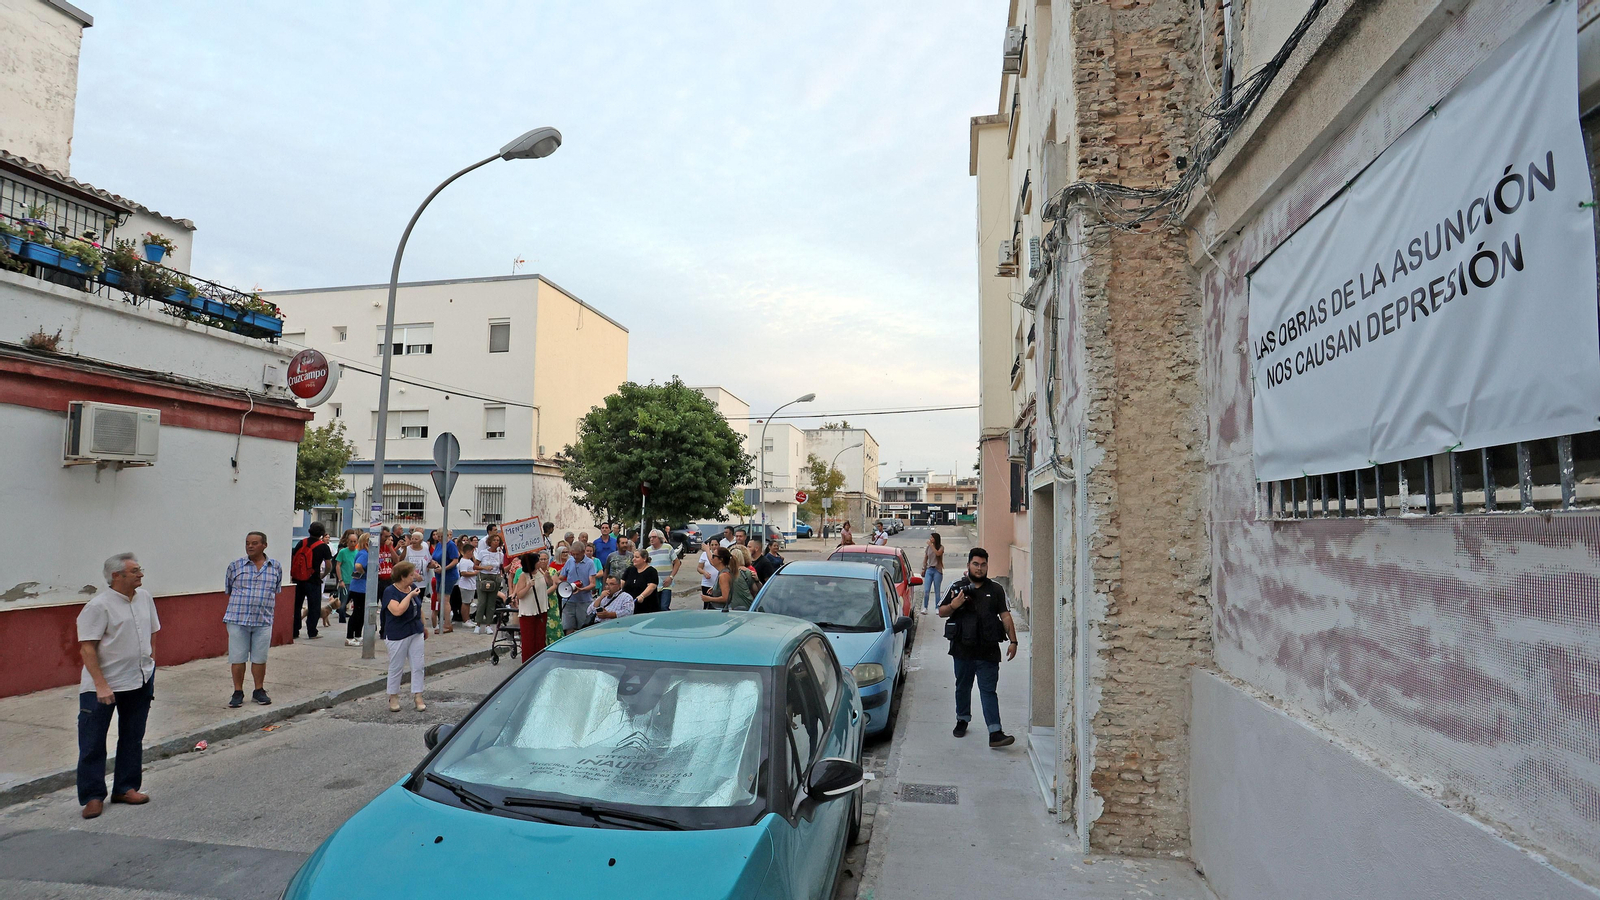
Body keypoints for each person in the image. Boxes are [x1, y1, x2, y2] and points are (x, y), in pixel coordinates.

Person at [77, 553, 159, 819]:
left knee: (132, 738)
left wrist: (150, 662)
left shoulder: (145, 598)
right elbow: (87, 648)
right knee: (92, 742)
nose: (141, 574)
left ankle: (126, 787)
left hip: (139, 680)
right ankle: (92, 796)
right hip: (103, 687)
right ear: (116, 576)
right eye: (135, 571)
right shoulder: (98, 606)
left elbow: (153, 631)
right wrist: (101, 685)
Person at [937, 547, 1018, 747]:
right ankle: (962, 719)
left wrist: (1013, 641)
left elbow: (1005, 616)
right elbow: (941, 611)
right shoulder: (957, 587)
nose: (979, 568)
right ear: (968, 565)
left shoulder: (996, 589)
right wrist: (955, 605)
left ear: (987, 566)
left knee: (988, 690)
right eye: (975, 564)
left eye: (983, 565)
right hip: (962, 650)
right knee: (962, 687)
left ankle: (995, 732)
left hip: (988, 650)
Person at [223, 532, 282, 707]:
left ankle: (258, 690)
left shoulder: (275, 567)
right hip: (237, 619)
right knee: (237, 657)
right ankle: (237, 691)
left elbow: (276, 590)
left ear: (264, 545)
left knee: (260, 658)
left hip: (263, 620)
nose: (250, 546)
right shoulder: (235, 566)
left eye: (254, 543)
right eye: (247, 543)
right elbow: (228, 589)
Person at [381, 561, 428, 712]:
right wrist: (409, 596)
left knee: (418, 665)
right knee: (396, 666)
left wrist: (423, 625)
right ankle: (393, 696)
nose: (414, 577)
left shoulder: (412, 588)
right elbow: (397, 611)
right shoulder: (390, 591)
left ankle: (418, 695)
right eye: (411, 575)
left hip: (415, 630)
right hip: (397, 633)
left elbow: (419, 607)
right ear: (402, 577)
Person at [290, 522, 331, 639]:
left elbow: (293, 557)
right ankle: (312, 631)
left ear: (309, 531)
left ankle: (294, 631)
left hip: (298, 579)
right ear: (322, 534)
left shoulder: (301, 542)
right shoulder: (323, 546)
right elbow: (328, 565)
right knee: (314, 607)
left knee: (296, 606)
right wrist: (322, 575)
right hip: (313, 580)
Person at [510, 551, 552, 658]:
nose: (540, 563)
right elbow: (519, 595)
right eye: (538, 561)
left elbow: (550, 584)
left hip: (541, 610)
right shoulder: (524, 576)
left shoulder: (541, 572)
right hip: (528, 613)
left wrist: (548, 577)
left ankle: (539, 661)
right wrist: (528, 586)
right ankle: (527, 663)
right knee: (529, 641)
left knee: (540, 639)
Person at [559, 541, 598, 633]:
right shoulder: (569, 561)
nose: (575, 557)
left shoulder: (590, 563)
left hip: (584, 601)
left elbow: (593, 584)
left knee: (583, 628)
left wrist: (582, 589)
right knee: (568, 627)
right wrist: (563, 587)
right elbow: (560, 577)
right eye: (573, 554)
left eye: (578, 554)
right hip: (569, 600)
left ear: (583, 552)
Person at [474, 531, 507, 633]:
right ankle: (478, 624)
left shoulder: (500, 554)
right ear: (490, 541)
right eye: (494, 540)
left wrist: (501, 575)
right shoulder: (483, 552)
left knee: (491, 602)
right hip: (483, 577)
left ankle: (488, 624)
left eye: (498, 540)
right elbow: (475, 566)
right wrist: (484, 567)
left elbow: (501, 567)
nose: (496, 542)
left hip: (495, 577)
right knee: (482, 601)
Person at [403, 530, 435, 626]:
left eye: (416, 539)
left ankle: (417, 620)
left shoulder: (425, 549)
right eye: (412, 538)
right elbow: (404, 564)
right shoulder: (408, 549)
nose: (413, 540)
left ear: (421, 540)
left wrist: (433, 564)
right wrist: (414, 574)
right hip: (409, 582)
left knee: (419, 602)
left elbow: (428, 561)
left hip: (422, 582)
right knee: (409, 602)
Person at [431, 529, 460, 633]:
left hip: (448, 575)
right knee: (440, 598)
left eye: (441, 536)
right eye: (437, 536)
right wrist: (435, 564)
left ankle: (447, 624)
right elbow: (434, 556)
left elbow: (455, 560)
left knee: (445, 599)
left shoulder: (451, 545)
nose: (439, 538)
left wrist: (444, 568)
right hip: (439, 574)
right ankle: (444, 622)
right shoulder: (439, 544)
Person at [645, 530, 681, 610]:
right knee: (655, 608)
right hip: (653, 585)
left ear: (660, 538)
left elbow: (677, 563)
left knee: (664, 607)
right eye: (650, 537)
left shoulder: (668, 548)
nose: (651, 539)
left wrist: (671, 577)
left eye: (654, 537)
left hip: (666, 584)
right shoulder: (648, 551)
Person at [345, 539, 369, 646]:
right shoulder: (364, 554)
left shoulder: (365, 553)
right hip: (359, 588)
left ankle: (358, 635)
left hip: (361, 587)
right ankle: (349, 637)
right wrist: (364, 573)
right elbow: (358, 565)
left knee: (361, 613)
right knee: (357, 613)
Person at [332, 530, 359, 624]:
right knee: (343, 602)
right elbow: (338, 565)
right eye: (351, 541)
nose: (353, 543)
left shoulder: (358, 552)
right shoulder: (343, 552)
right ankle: (342, 618)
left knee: (354, 601)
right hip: (345, 580)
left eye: (355, 541)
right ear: (347, 541)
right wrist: (340, 580)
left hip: (355, 581)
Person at [623, 549, 660, 613]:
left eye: (637, 557)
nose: (633, 559)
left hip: (647, 607)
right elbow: (622, 583)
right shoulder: (630, 570)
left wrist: (642, 596)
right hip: (630, 606)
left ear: (644, 559)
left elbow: (651, 586)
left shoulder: (651, 571)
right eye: (633, 557)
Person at [454, 536, 477, 628]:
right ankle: (465, 619)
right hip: (465, 585)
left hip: (470, 585)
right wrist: (474, 573)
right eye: (471, 552)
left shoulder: (469, 561)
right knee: (465, 603)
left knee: (468, 602)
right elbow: (463, 573)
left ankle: (468, 618)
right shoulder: (464, 561)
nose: (472, 554)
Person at [726, 547, 758, 611]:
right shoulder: (747, 572)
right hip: (747, 603)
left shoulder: (727, 573)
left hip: (733, 605)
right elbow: (755, 589)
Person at [921, 532, 946, 613]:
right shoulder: (928, 548)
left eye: (932, 537)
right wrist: (923, 568)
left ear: (935, 539)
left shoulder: (941, 547)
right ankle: (925, 607)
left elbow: (938, 553)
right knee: (926, 590)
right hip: (929, 569)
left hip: (937, 570)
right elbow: (925, 558)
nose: (930, 539)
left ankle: (937, 607)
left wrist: (931, 545)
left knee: (937, 590)